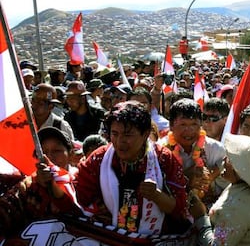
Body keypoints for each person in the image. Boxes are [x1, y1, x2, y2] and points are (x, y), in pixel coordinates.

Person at [75, 101, 189, 235]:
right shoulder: (99, 159)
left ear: (146, 134)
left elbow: (179, 209)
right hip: (108, 237)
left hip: (154, 239)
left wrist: (156, 196)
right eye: (115, 134)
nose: (119, 141)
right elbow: (80, 199)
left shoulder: (164, 159)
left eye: (127, 135)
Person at [189, 134, 250, 246]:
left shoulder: (237, 207)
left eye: (230, 158)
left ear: (240, 170)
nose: (224, 159)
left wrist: (201, 217)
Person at [0, 127, 82, 238]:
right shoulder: (27, 186)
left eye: (57, 151)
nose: (49, 157)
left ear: (71, 154)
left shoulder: (83, 181)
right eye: (42, 152)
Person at [158, 98, 227, 205]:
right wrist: (186, 178)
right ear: (171, 125)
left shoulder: (216, 149)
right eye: (183, 125)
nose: (189, 131)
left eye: (194, 124)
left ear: (201, 125)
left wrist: (209, 177)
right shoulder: (160, 150)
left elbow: (226, 188)